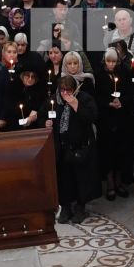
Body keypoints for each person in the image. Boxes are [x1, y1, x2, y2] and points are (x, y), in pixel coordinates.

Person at [52, 74, 99, 223]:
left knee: (81, 179)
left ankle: (80, 207)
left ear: (75, 89)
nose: (65, 94)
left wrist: (76, 105)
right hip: (63, 146)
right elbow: (45, 113)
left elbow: (92, 117)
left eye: (69, 90)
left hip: (80, 147)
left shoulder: (84, 98)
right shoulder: (56, 100)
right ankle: (65, 207)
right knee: (65, 179)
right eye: (62, 90)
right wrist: (45, 121)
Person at [96, 46, 134, 199]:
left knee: (122, 153)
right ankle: (110, 184)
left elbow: (131, 92)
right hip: (106, 120)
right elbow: (97, 96)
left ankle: (120, 183)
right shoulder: (99, 75)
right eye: (108, 61)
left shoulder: (126, 72)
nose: (111, 64)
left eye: (114, 61)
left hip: (123, 119)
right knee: (107, 153)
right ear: (104, 61)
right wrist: (109, 103)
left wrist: (122, 102)